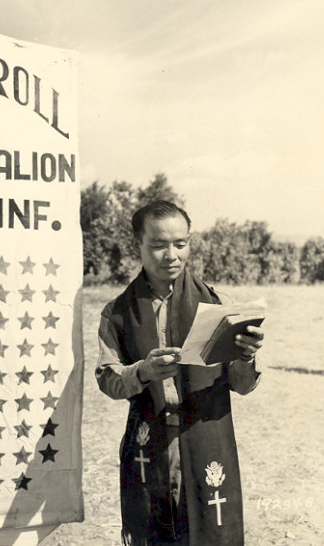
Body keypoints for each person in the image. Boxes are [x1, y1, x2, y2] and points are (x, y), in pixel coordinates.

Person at [96, 200, 263, 546]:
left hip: (205, 440)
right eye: (158, 245)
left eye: (180, 243)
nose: (171, 255)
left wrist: (245, 359)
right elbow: (108, 380)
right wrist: (142, 372)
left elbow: (241, 386)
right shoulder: (118, 313)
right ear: (136, 246)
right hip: (151, 446)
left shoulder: (219, 305)